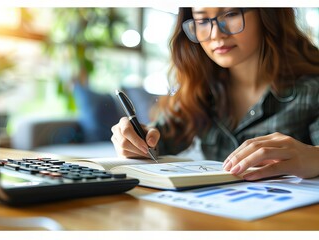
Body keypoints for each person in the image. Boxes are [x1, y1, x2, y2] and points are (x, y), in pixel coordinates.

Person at [111, 8, 319, 181]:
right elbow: (158, 142)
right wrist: (136, 141)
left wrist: (314, 157)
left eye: (230, 14)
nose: (215, 34)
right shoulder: (200, 88)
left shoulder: (311, 89)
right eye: (202, 21)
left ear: (268, 13)